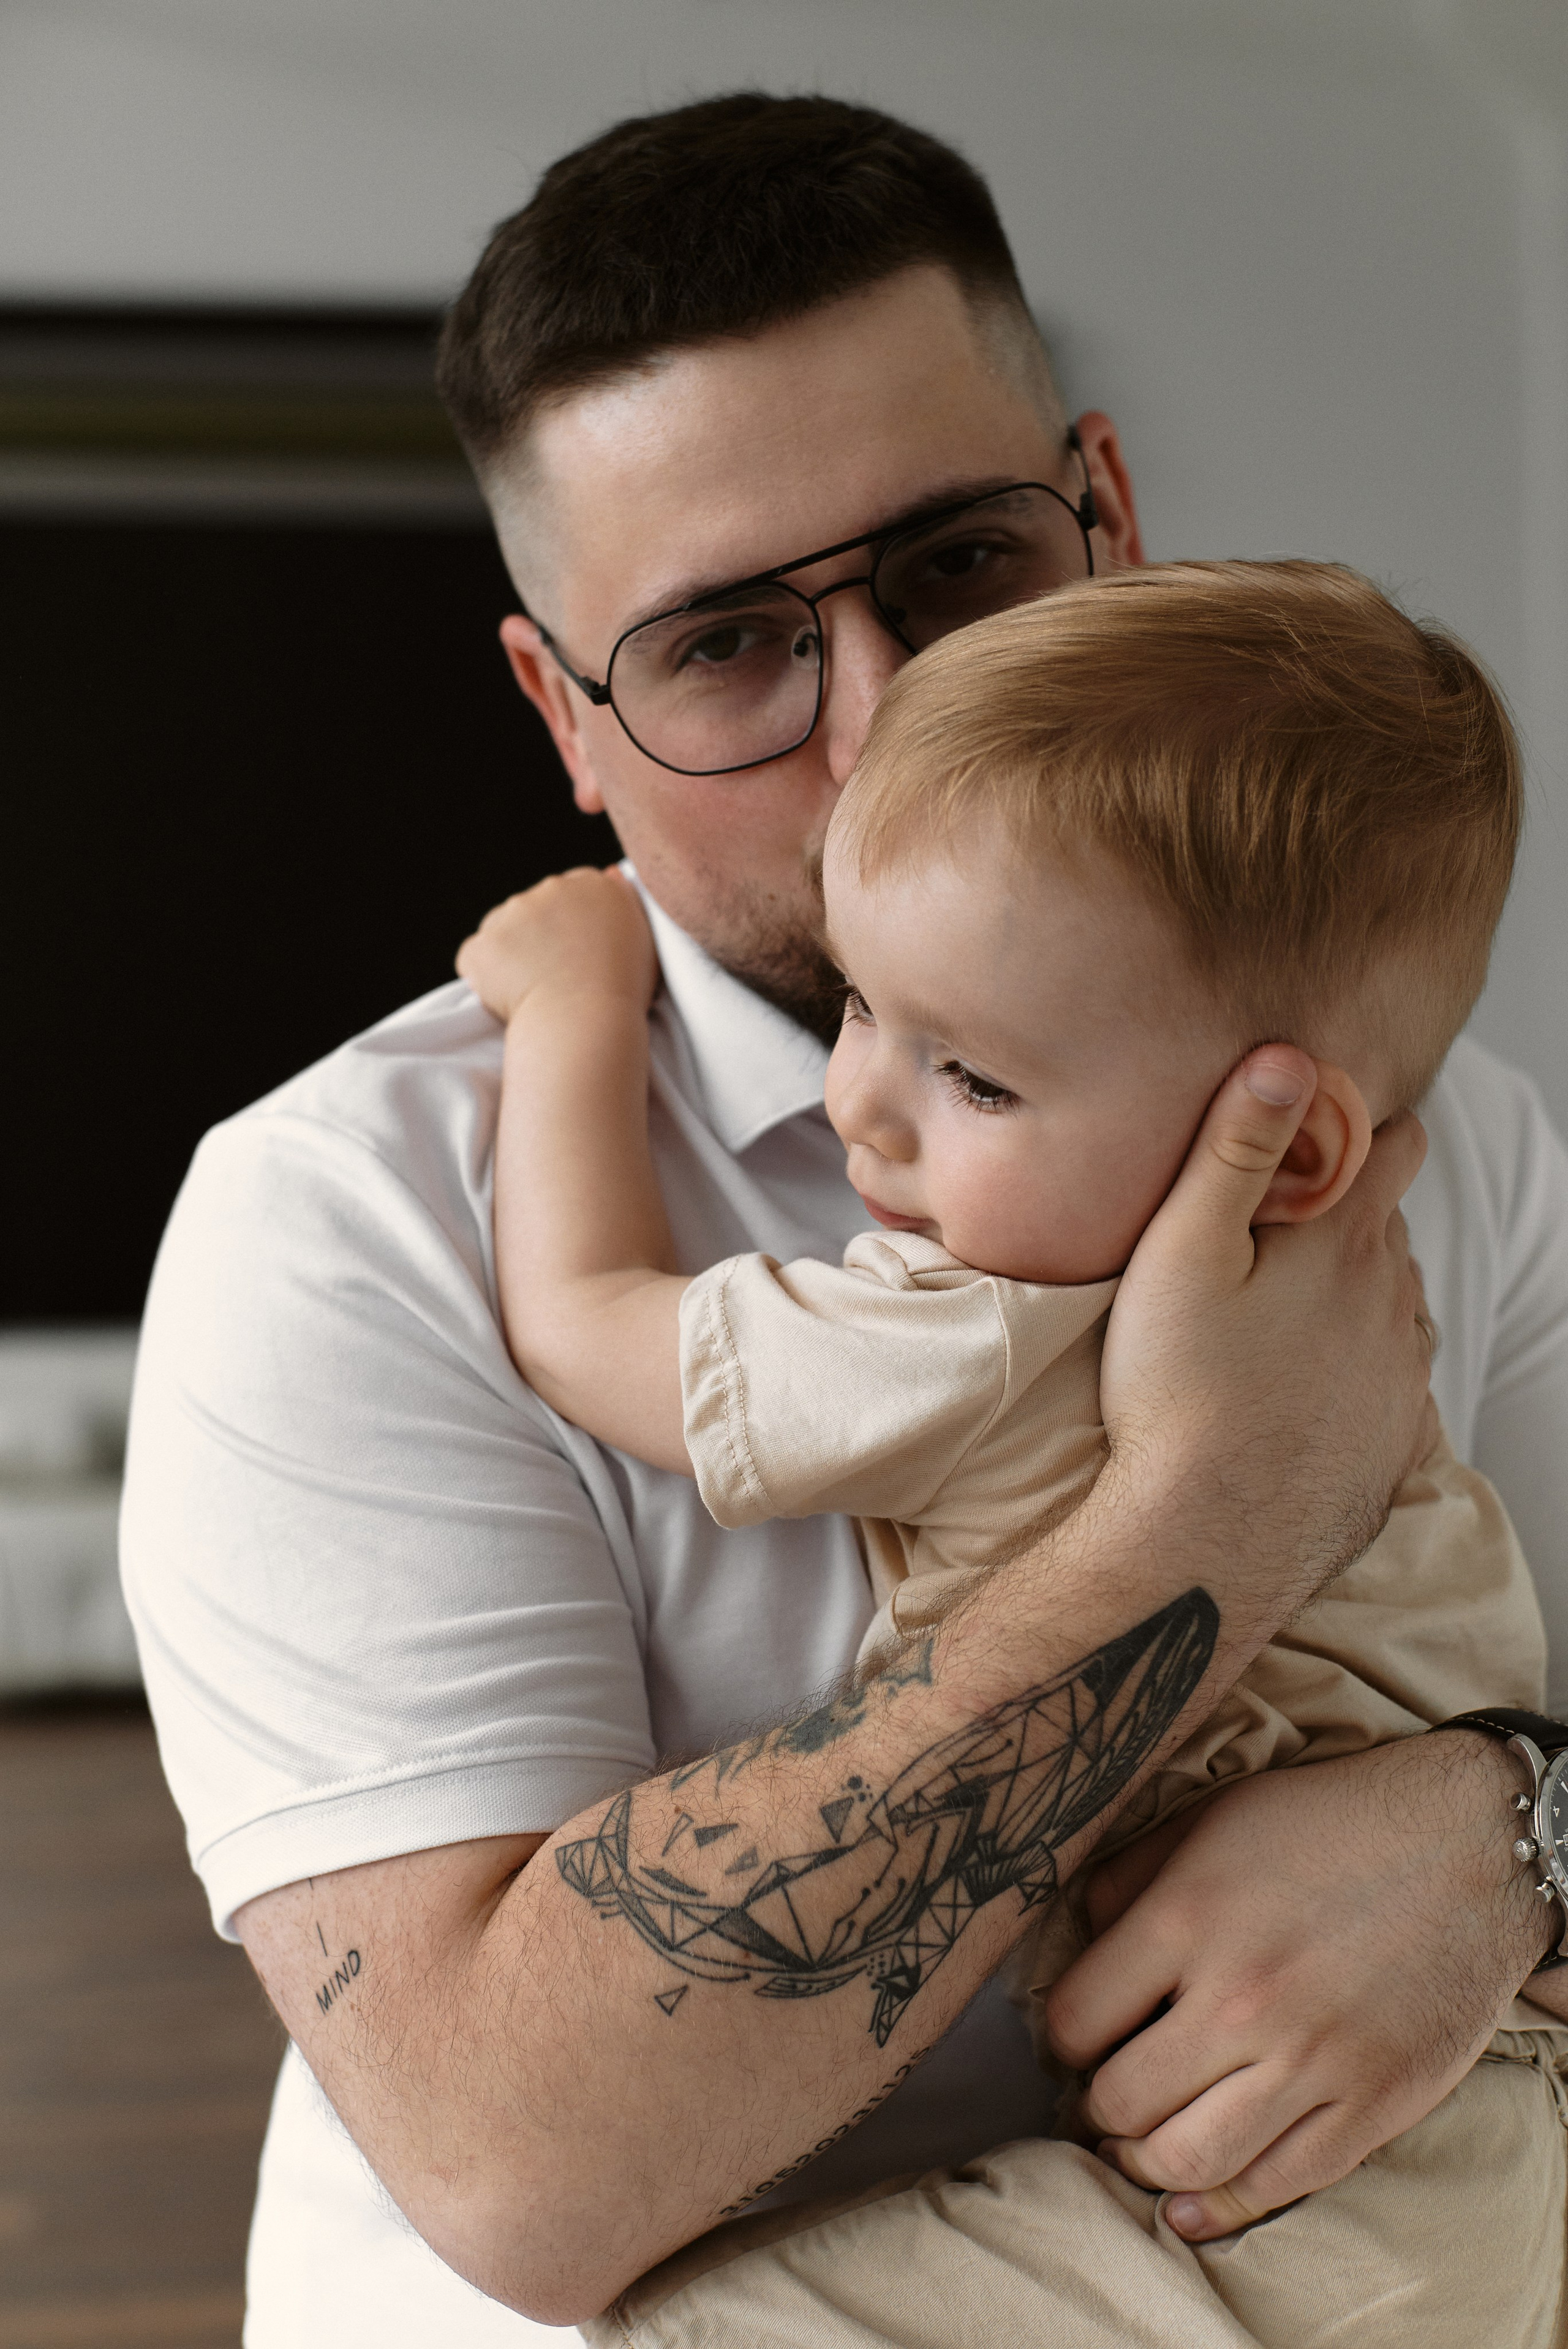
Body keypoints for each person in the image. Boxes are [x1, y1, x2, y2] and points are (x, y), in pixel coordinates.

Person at [118, 94, 1568, 2343]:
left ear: (1112, 515)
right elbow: (522, 2163)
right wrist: (1225, 1500)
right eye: (723, 648)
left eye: (963, 561)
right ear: (565, 718)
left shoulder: (1433, 1138)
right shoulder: (339, 1230)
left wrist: (1518, 1844)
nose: (890, 725)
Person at [453, 560, 1565, 2347]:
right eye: (858, 1006)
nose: (855, 1103)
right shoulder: (1363, 1293)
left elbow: (585, 1319)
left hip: (1281, 2225)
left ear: (1286, 1149)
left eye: (971, 1075)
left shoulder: (981, 1325)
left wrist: (573, 999)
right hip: (1465, 2162)